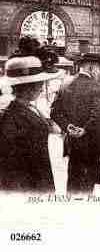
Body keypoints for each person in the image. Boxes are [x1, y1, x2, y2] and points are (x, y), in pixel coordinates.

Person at [0, 53, 62, 193]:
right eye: (40, 84)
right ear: (28, 87)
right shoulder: (11, 116)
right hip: (26, 186)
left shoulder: (21, 109)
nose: (41, 88)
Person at [51, 53, 100, 194]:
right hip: (90, 143)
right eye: (99, 69)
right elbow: (98, 115)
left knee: (73, 178)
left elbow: (54, 112)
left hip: (71, 143)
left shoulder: (65, 84)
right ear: (91, 67)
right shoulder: (96, 86)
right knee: (88, 184)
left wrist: (67, 126)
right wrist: (84, 130)